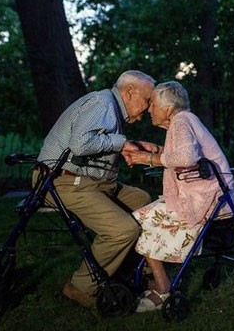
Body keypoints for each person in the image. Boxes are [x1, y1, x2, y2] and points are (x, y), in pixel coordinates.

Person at [36, 70, 156, 307]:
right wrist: (122, 143)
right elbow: (80, 144)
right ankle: (81, 287)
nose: (149, 106)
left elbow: (97, 145)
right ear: (130, 91)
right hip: (62, 182)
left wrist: (135, 147)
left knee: (141, 200)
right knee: (123, 230)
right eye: (147, 99)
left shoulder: (110, 108)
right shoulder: (103, 103)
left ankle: (126, 269)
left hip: (93, 183)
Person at [121, 81, 234, 313]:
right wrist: (151, 150)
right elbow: (179, 153)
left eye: (153, 104)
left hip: (206, 203)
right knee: (143, 217)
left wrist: (146, 159)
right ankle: (157, 278)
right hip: (211, 198)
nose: (149, 109)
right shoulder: (185, 120)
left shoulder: (181, 121)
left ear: (168, 108)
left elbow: (185, 158)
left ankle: (162, 287)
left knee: (137, 221)